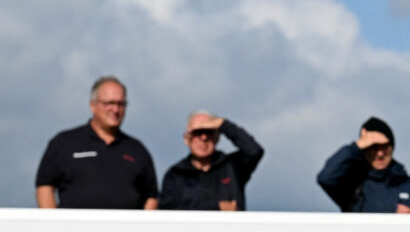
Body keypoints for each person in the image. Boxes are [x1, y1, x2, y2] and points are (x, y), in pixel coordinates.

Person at [35, 76, 158, 209]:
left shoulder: (137, 150)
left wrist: (141, 228)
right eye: (109, 103)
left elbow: (151, 197)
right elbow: (44, 187)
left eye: (120, 104)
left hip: (125, 230)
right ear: (93, 105)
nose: (115, 110)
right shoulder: (64, 143)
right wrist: (54, 226)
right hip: (74, 229)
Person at [317, 116, 410, 213]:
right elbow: (326, 178)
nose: (380, 153)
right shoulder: (352, 184)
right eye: (373, 147)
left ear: (392, 149)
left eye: (384, 147)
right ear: (364, 150)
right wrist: (356, 146)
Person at [159, 112, 264, 211]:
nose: (204, 138)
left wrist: (223, 124)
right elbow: (167, 210)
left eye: (209, 131)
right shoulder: (176, 174)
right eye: (198, 132)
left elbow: (254, 151)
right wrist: (216, 207)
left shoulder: (231, 166)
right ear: (187, 139)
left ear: (217, 138)